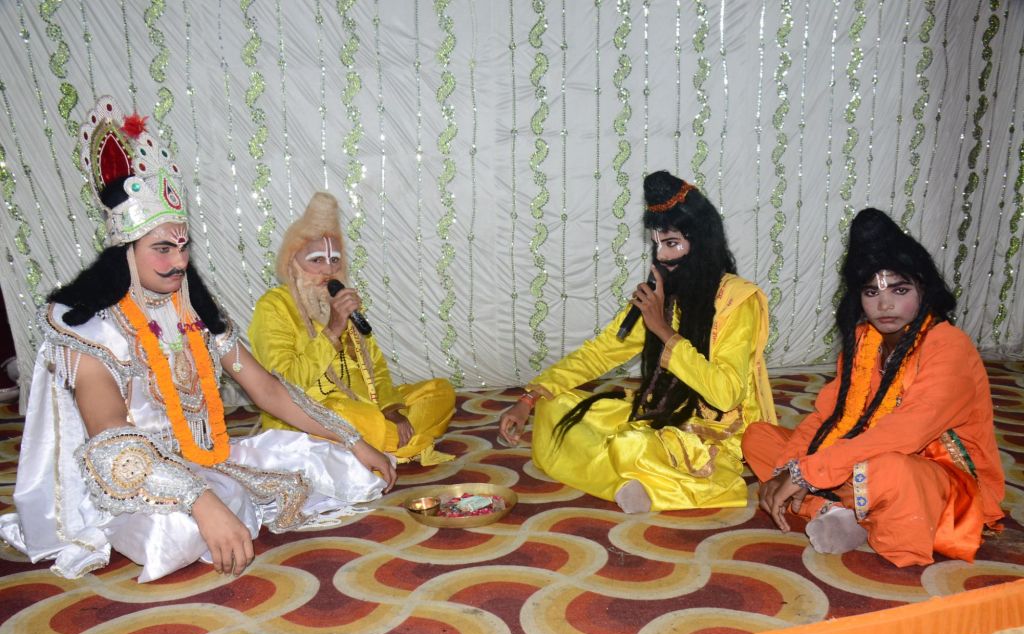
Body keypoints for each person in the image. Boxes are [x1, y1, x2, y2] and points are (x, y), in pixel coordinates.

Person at [0, 96, 396, 583]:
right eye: (162, 249)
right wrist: (200, 500)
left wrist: (351, 438)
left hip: (206, 459)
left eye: (183, 246)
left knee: (347, 466)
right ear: (126, 251)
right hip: (132, 481)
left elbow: (266, 388)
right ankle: (212, 507)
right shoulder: (92, 327)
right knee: (178, 534)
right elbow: (110, 442)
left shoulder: (193, 312)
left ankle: (225, 500)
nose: (180, 262)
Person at [499, 171, 775, 513]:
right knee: (553, 408)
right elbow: (600, 352)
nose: (661, 257)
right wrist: (529, 398)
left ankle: (629, 477)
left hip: (711, 431)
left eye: (671, 243)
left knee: (633, 445)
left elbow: (726, 394)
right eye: (656, 244)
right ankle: (634, 483)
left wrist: (663, 330)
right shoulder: (663, 293)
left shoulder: (737, 301)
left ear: (702, 243)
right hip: (659, 412)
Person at [744, 208, 1005, 567]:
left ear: (924, 289)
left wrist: (808, 473)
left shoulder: (949, 346)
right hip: (861, 458)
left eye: (899, 289)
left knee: (888, 470)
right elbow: (828, 416)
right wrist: (789, 468)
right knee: (759, 438)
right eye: (871, 291)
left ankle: (844, 509)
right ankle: (841, 511)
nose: (884, 304)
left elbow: (906, 433)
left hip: (936, 477)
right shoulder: (864, 342)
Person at [248, 192, 456, 466]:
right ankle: (395, 443)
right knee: (359, 419)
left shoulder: (340, 301)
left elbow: (376, 367)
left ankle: (384, 443)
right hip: (311, 415)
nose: (328, 270)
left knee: (440, 392)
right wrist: (333, 330)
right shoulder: (273, 307)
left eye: (335, 260)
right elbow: (283, 385)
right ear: (292, 263)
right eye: (317, 260)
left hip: (366, 404)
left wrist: (392, 409)